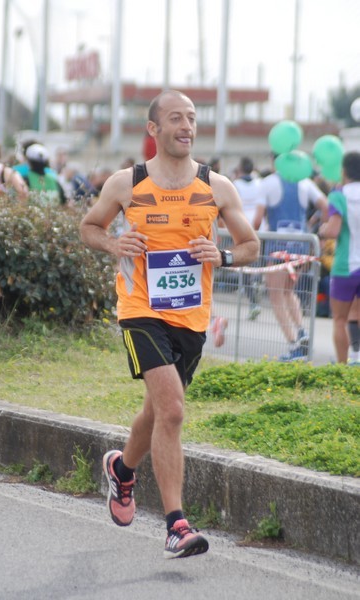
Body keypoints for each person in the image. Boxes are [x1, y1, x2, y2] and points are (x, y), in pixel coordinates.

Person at [80, 89, 259, 558]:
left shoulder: (217, 187)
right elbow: (89, 227)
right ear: (153, 129)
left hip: (191, 315)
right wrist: (114, 245)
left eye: (192, 118)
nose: (186, 126)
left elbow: (250, 245)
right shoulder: (127, 183)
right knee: (174, 410)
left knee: (159, 410)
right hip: (140, 309)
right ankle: (176, 525)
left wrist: (221, 255)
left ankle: (122, 470)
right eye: (175, 118)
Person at [253, 157, 328, 361]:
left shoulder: (267, 183)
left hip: (278, 247)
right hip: (302, 245)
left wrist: (249, 237)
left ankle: (294, 344)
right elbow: (326, 206)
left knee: (276, 296)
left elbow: (258, 220)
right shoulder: (305, 182)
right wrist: (320, 229)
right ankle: (301, 332)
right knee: (289, 292)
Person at [318, 151, 360, 364]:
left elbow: (333, 231)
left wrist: (322, 229)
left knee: (339, 320)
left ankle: (342, 368)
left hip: (346, 266)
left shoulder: (338, 195)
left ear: (344, 171)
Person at [232, 156, 265, 320]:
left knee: (245, 268)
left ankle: (253, 300)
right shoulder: (260, 182)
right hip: (261, 227)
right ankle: (257, 284)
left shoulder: (236, 184)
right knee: (259, 263)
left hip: (243, 226)